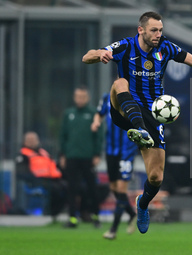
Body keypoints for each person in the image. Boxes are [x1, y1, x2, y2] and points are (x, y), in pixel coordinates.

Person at [82, 11, 192, 234]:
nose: (158, 34)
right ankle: (139, 129)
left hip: (153, 115)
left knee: (156, 177)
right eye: (154, 30)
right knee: (120, 82)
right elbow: (87, 56)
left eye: (160, 30)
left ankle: (142, 204)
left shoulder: (165, 48)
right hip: (124, 108)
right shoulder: (125, 47)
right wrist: (100, 54)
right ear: (141, 30)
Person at [91, 93, 138, 240]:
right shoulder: (106, 98)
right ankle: (132, 214)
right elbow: (99, 114)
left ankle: (113, 229)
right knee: (114, 189)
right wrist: (96, 122)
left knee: (121, 188)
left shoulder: (136, 98)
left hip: (127, 151)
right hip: (111, 151)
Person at [59, 86, 103, 228]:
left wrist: (97, 154)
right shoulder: (69, 114)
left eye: (83, 97)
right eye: (78, 96)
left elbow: (99, 136)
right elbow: (63, 135)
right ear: (74, 97)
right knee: (72, 188)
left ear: (87, 98)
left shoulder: (93, 114)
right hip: (71, 156)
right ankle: (72, 218)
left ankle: (95, 216)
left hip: (88, 157)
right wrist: (63, 154)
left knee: (92, 188)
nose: (80, 99)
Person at [15, 131, 67, 218]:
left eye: (34, 139)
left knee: (69, 188)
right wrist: (34, 178)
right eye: (29, 140)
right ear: (24, 142)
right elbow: (21, 172)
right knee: (55, 190)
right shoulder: (23, 155)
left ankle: (55, 212)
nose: (32, 142)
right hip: (37, 181)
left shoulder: (44, 153)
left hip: (54, 179)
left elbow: (53, 165)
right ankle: (50, 212)